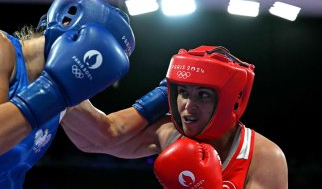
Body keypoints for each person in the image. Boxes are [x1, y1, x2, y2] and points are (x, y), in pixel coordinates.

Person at [0, 0, 135, 188]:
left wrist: (164, 97)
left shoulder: (63, 92)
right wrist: (55, 89)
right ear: (68, 22)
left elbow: (110, 133)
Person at [61, 45, 288, 188]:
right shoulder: (169, 133)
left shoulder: (263, 156)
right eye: (182, 93)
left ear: (229, 100)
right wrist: (56, 81)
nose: (189, 106)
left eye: (203, 95)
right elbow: (97, 139)